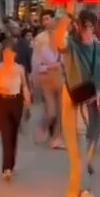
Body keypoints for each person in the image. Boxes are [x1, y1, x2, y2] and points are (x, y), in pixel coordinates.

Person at [53, 2, 100, 197]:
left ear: (94, 27)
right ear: (77, 26)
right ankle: (84, 192)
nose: (86, 31)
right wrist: (68, 14)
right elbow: (58, 39)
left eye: (89, 27)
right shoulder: (70, 46)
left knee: (89, 150)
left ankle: (73, 189)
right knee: (77, 151)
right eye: (82, 26)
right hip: (73, 101)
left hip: (95, 103)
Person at [0, 41, 30, 180]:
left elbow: (24, 85)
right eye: (5, 54)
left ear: (15, 55)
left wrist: (27, 99)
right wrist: (1, 89)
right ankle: (6, 168)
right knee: (6, 134)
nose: (7, 56)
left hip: (17, 102)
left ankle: (12, 164)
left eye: (10, 54)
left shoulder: (19, 68)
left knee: (14, 134)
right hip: (3, 102)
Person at [32, 10, 64, 148]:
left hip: (61, 77)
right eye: (43, 19)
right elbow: (36, 61)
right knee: (51, 112)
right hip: (46, 78)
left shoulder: (64, 35)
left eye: (47, 19)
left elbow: (67, 57)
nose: (45, 22)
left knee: (61, 111)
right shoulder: (40, 38)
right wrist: (37, 76)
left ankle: (57, 138)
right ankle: (42, 128)